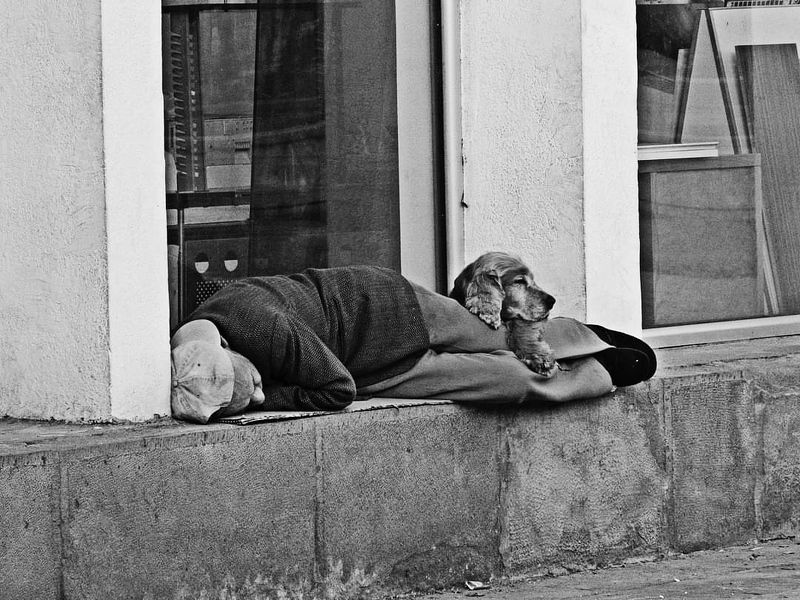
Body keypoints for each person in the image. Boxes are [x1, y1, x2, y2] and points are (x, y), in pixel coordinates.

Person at [170, 265, 655, 423]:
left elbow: (336, 390)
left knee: (494, 335)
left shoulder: (262, 325)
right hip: (372, 371)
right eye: (244, 402)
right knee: (506, 380)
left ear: (227, 344)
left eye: (251, 383)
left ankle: (585, 337)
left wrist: (271, 397)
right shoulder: (201, 343)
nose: (257, 394)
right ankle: (599, 374)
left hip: (384, 305)